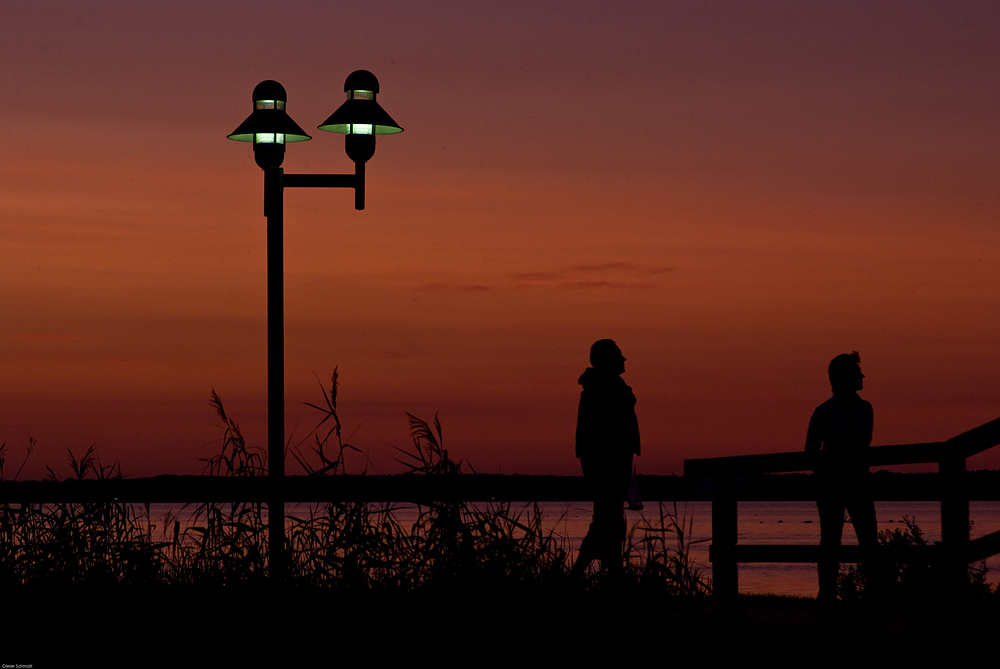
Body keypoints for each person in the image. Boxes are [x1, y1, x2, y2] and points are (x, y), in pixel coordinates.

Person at [805, 351, 877, 601]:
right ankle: (827, 594)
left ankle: (873, 593)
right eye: (857, 372)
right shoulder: (825, 411)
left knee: (867, 540)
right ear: (844, 377)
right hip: (835, 484)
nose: (862, 376)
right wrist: (827, 474)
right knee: (831, 541)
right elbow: (810, 451)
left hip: (856, 483)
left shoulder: (864, 408)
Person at [572, 339, 641, 576]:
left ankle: (612, 573)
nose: (623, 360)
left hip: (611, 462)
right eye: (617, 356)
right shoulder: (603, 390)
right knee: (607, 518)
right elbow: (599, 434)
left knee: (610, 518)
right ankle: (580, 573)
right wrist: (610, 460)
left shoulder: (607, 388)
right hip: (606, 465)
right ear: (605, 361)